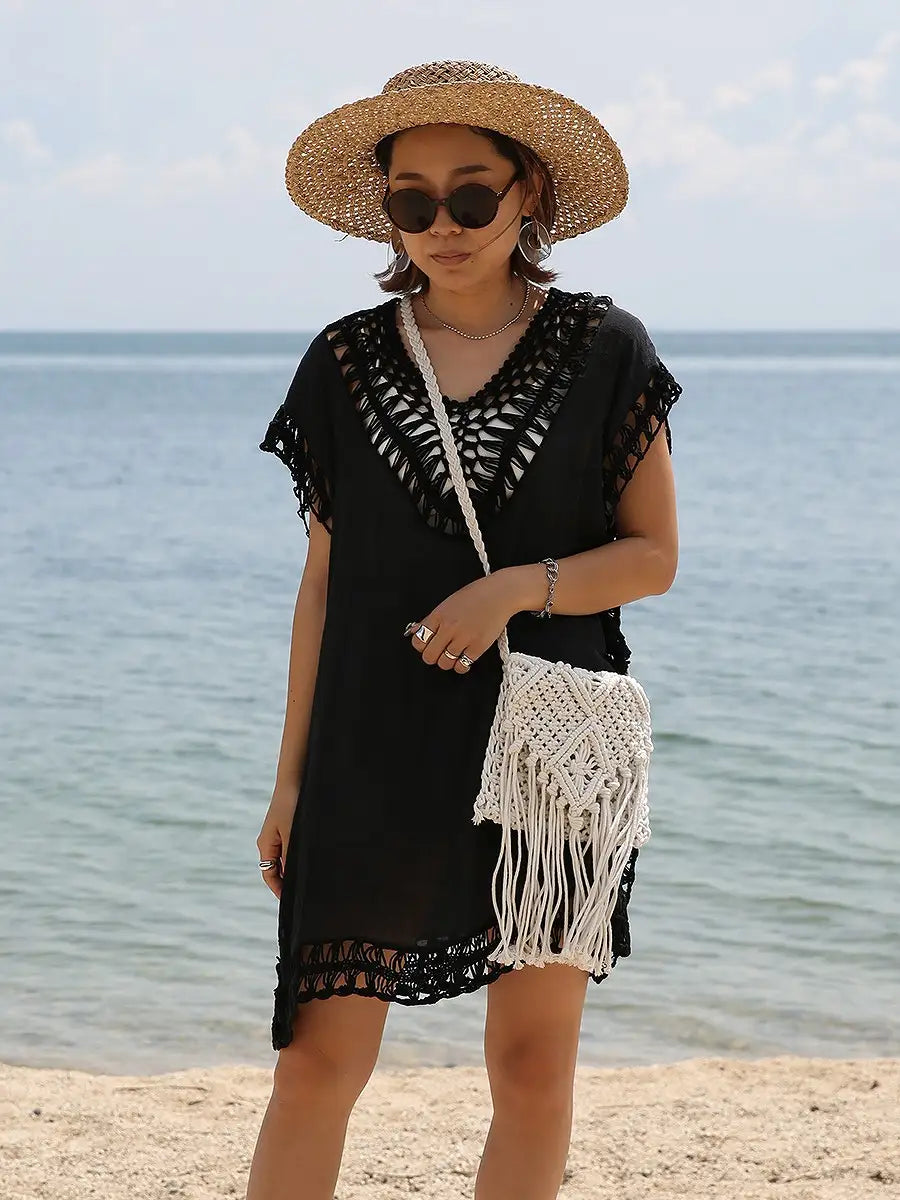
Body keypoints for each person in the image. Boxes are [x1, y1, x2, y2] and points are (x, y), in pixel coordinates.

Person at [246, 59, 682, 1200]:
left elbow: (653, 558)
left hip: (549, 753)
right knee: (314, 1063)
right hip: (371, 752)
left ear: (529, 192)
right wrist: (290, 782)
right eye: (413, 200)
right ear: (387, 211)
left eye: (473, 194)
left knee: (533, 1071)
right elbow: (321, 586)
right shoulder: (344, 363)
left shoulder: (607, 348)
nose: (443, 224)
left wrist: (512, 591)